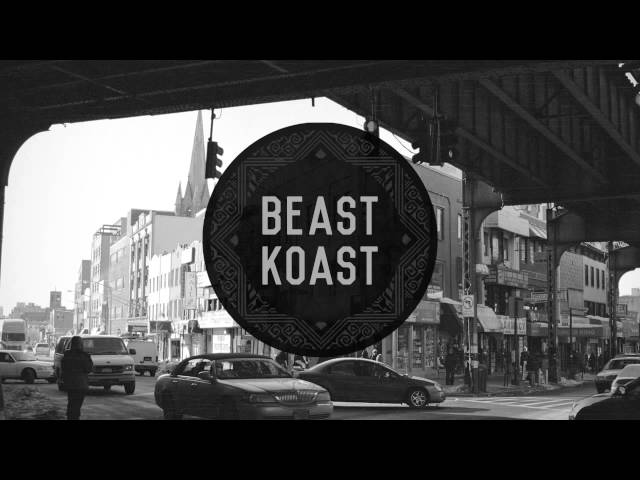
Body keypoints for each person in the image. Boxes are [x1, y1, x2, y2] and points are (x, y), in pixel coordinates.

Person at [60, 336, 93, 420]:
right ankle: (74, 417)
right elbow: (88, 369)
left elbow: (63, 368)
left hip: (70, 384)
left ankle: (70, 417)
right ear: (80, 345)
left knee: (71, 403)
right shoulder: (84, 356)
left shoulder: (67, 355)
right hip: (81, 384)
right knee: (77, 405)